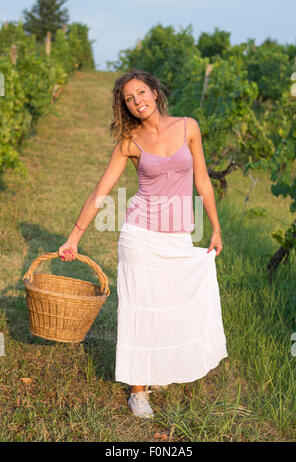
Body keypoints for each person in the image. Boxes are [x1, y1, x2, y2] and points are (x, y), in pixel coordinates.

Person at [58, 69, 228, 419]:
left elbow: (202, 179)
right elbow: (101, 193)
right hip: (140, 236)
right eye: (129, 100)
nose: (137, 102)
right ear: (126, 107)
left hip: (180, 235)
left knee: (175, 305)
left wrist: (215, 227)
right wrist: (75, 236)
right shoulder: (129, 141)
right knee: (140, 309)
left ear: (154, 92)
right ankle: (138, 391)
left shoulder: (188, 127)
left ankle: (160, 369)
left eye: (140, 94)